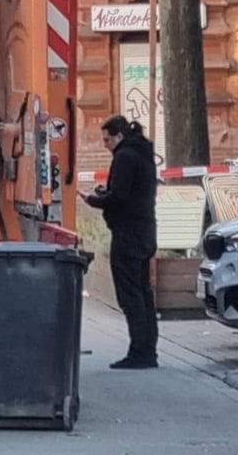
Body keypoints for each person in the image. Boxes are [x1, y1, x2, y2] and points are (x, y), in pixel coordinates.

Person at [82, 114, 159, 369]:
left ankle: (139, 352)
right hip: (146, 231)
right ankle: (148, 350)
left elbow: (120, 198)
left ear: (119, 136)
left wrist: (95, 199)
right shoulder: (144, 155)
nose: (105, 145)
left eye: (107, 139)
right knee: (144, 293)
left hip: (128, 233)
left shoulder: (124, 157)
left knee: (130, 295)